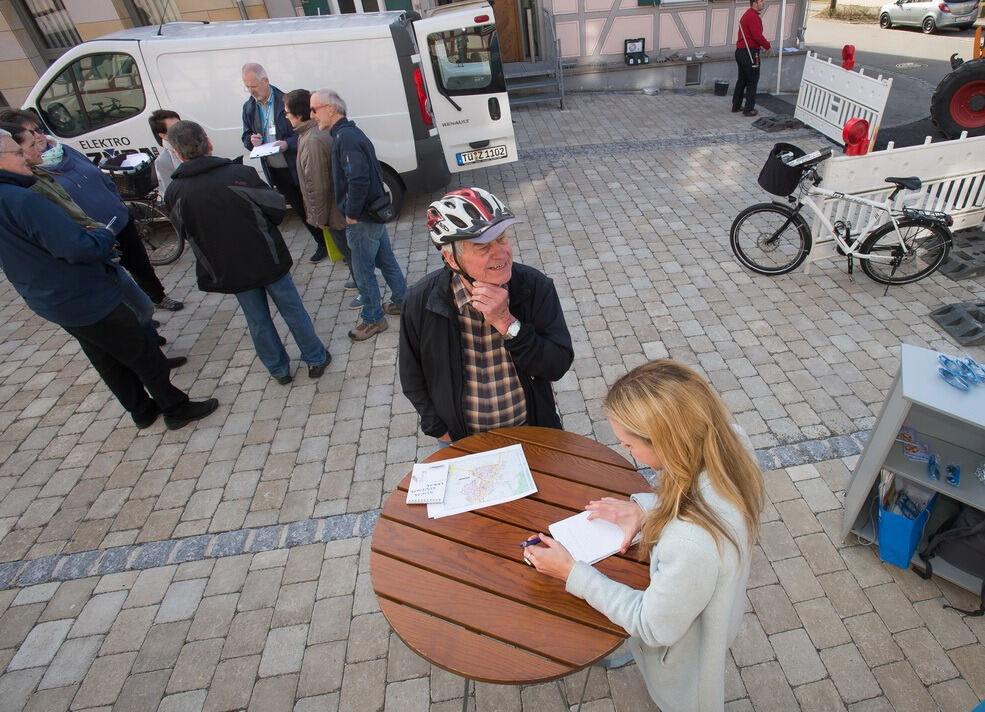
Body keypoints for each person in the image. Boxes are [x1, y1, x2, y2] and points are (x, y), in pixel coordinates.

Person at [522, 360, 764, 712]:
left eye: (629, 445)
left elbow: (651, 626)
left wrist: (571, 572)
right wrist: (648, 510)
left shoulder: (690, 542)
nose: (627, 453)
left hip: (684, 665)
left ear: (666, 442)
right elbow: (698, 496)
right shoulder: (730, 441)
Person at [0, 129, 217, 430]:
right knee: (142, 351)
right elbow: (77, 247)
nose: (26, 156)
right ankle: (175, 408)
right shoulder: (24, 199)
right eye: (17, 152)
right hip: (84, 294)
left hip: (48, 299)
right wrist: (103, 235)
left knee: (105, 357)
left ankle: (141, 411)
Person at [399, 187, 573, 443]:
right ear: (451, 257)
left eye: (502, 238)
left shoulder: (535, 288)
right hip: (463, 439)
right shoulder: (421, 301)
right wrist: (437, 428)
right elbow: (412, 375)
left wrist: (507, 323)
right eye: (482, 246)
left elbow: (557, 365)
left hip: (531, 430)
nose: (501, 253)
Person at [164, 120, 330, 385]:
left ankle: (279, 370)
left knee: (257, 320)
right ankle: (315, 358)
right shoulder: (237, 174)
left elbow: (184, 231)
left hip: (228, 268)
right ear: (208, 142)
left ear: (177, 153)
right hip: (267, 258)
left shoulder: (175, 191)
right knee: (292, 310)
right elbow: (276, 208)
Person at [1, 122, 180, 360]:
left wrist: (115, 203)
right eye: (30, 143)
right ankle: (152, 356)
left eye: (38, 133)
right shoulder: (28, 190)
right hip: (94, 253)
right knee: (133, 316)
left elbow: (95, 174)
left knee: (141, 291)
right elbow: (67, 238)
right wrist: (99, 236)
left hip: (113, 227)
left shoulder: (57, 157)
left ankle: (150, 336)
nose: (39, 141)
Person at [311, 89, 407, 341]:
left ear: (330, 109)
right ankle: (402, 301)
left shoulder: (345, 138)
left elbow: (358, 178)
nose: (312, 115)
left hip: (363, 218)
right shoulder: (348, 133)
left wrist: (351, 213)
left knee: (363, 270)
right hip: (371, 216)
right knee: (386, 261)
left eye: (315, 109)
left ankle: (374, 319)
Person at [240, 63, 327, 262]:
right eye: (247, 87)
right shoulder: (249, 107)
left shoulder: (285, 101)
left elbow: (307, 130)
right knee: (299, 208)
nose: (251, 91)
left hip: (296, 165)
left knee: (315, 204)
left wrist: (287, 144)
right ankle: (321, 243)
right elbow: (245, 135)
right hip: (275, 169)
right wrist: (250, 141)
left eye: (253, 86)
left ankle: (335, 242)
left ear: (266, 81)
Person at [282, 89, 360, 307]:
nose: (286, 116)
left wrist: (319, 218)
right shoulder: (311, 135)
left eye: (287, 112)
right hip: (336, 207)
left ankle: (364, 289)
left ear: (298, 113)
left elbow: (317, 184)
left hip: (334, 211)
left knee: (349, 251)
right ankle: (359, 280)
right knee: (350, 251)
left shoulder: (312, 140)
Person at [732, 0, 771, 117]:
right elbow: (757, 36)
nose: (763, 3)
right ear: (754, 3)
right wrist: (767, 46)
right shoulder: (753, 16)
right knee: (752, 81)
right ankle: (749, 109)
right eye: (761, 1)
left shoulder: (746, 15)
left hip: (741, 51)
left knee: (742, 80)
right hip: (750, 52)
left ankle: (736, 105)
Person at [148, 109, 181, 193]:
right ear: (163, 135)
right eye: (175, 128)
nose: (182, 129)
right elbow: (170, 190)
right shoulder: (164, 160)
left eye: (181, 124)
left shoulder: (197, 142)